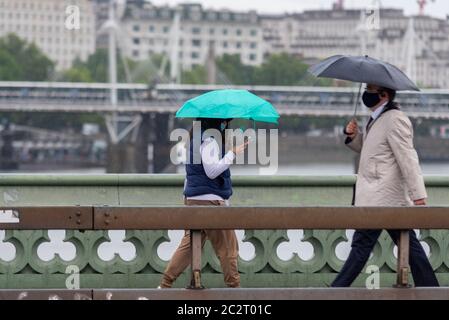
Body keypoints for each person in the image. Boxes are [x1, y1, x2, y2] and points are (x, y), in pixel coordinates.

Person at [331, 84, 439, 287]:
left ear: (384, 94)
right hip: (380, 196)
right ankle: (432, 288)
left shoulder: (395, 119)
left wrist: (418, 194)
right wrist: (352, 136)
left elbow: (407, 158)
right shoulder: (377, 118)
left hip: (381, 196)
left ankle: (336, 290)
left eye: (371, 90)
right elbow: (371, 150)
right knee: (407, 244)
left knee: (362, 245)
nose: (366, 94)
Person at [159, 118, 248, 288]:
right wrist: (232, 153)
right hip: (210, 202)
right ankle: (235, 289)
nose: (225, 126)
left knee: (191, 245)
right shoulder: (209, 141)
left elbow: (190, 175)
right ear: (215, 123)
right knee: (228, 246)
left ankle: (164, 285)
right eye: (224, 123)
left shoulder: (193, 141)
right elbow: (212, 171)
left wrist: (188, 199)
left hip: (195, 200)